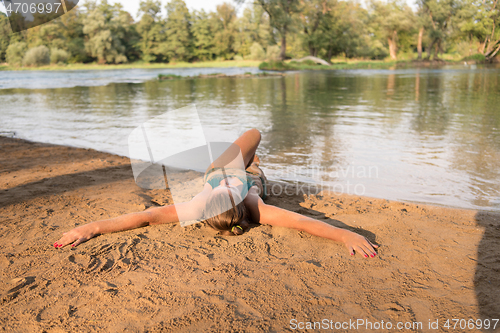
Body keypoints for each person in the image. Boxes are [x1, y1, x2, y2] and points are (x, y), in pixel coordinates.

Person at [54, 129, 378, 258]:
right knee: (255, 135)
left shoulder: (198, 205)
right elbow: (304, 222)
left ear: (206, 203)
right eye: (227, 191)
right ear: (240, 200)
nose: (225, 188)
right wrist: (344, 235)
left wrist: (90, 227)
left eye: (220, 193)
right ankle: (254, 162)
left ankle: (246, 158)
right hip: (251, 176)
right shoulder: (253, 202)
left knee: (242, 145)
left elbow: (146, 218)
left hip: (218, 167)